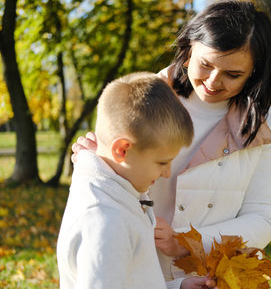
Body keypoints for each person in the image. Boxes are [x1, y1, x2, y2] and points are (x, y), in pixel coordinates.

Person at [72, 0, 271, 282]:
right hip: (135, 266)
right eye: (205, 65)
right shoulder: (140, 99)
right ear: (188, 51)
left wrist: (186, 243)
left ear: (254, 73)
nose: (213, 82)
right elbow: (105, 189)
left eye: (233, 74)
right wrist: (92, 162)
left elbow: (264, 215)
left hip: (207, 275)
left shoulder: (264, 124)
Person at [57, 72, 216, 289]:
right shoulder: (104, 221)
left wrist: (177, 286)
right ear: (122, 150)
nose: (167, 173)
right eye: (162, 163)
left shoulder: (120, 193)